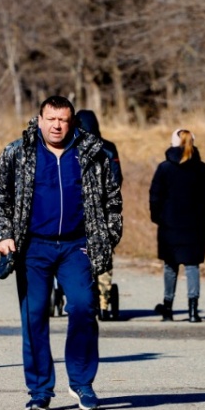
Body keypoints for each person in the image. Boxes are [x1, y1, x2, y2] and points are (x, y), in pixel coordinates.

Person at [0, 95, 123, 410]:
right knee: (33, 316)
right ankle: (39, 390)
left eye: (63, 119)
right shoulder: (18, 152)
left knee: (83, 307)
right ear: (40, 118)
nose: (57, 125)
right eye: (51, 119)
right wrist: (3, 235)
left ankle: (82, 383)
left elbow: (112, 201)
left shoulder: (93, 154)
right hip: (33, 247)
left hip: (77, 246)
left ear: (72, 120)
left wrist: (104, 240)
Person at [149, 128, 205, 322]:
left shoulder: (164, 168)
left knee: (170, 266)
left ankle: (168, 308)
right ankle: (193, 311)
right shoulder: (202, 168)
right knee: (192, 265)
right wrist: (202, 216)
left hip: (169, 224)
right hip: (194, 224)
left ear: (172, 143)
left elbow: (155, 195)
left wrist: (158, 217)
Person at [75, 109, 121, 320]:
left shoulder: (74, 148)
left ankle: (84, 295)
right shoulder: (109, 148)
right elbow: (117, 180)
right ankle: (104, 300)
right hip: (104, 211)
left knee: (80, 253)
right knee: (103, 255)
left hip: (81, 211)